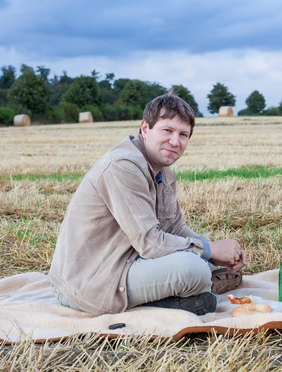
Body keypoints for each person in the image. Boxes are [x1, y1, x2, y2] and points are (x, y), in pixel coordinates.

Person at [49, 91, 246, 316]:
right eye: (167, 131)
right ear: (145, 128)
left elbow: (175, 228)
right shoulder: (123, 167)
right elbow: (150, 243)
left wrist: (215, 249)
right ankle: (187, 294)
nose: (175, 141)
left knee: (203, 262)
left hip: (128, 260)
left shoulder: (163, 172)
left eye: (183, 134)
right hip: (91, 281)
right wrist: (210, 251)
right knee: (194, 269)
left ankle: (195, 290)